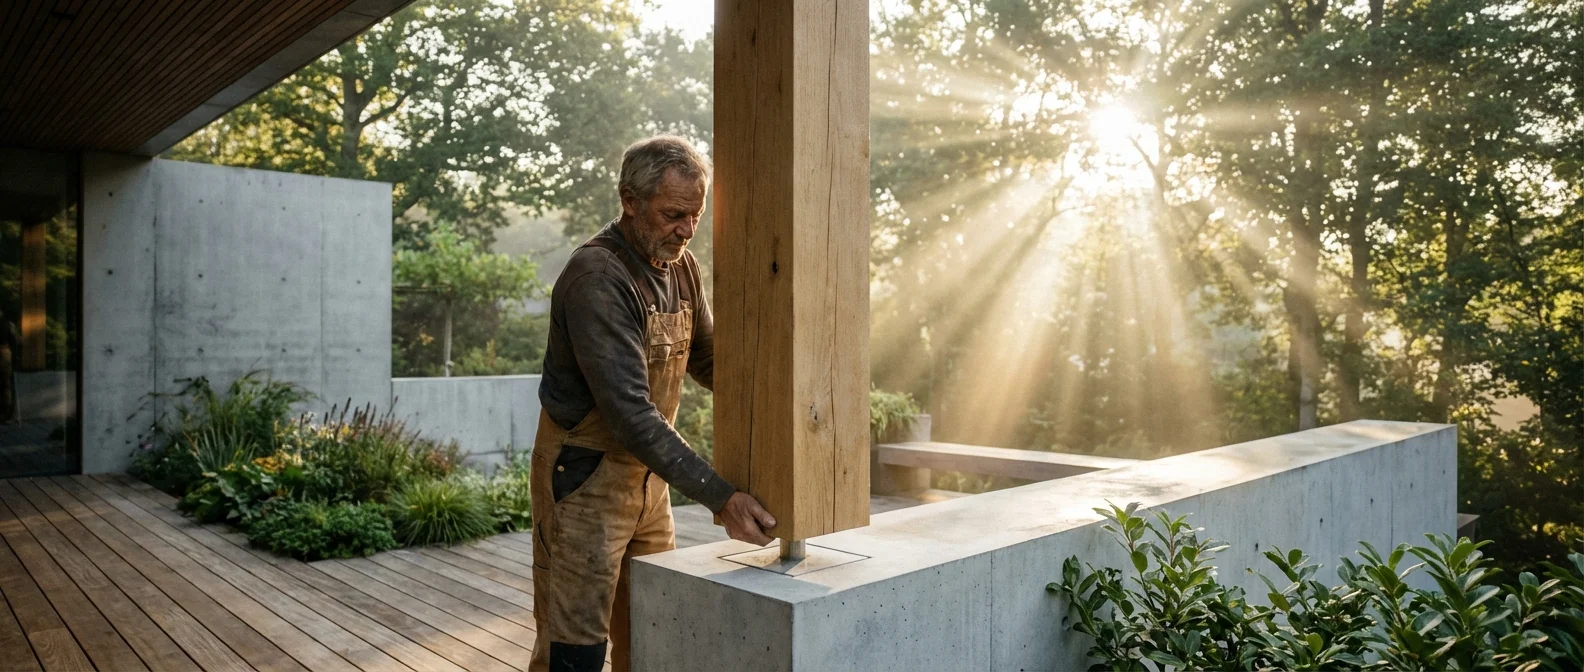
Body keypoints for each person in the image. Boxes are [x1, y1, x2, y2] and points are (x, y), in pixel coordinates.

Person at [530, 135, 777, 672]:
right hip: (585, 477)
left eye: (696, 215)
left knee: (652, 630)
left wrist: (783, 392)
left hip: (649, 482)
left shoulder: (681, 265)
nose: (686, 231)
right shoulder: (598, 278)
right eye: (672, 215)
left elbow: (708, 361)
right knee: (574, 649)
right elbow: (629, 414)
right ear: (629, 199)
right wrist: (721, 497)